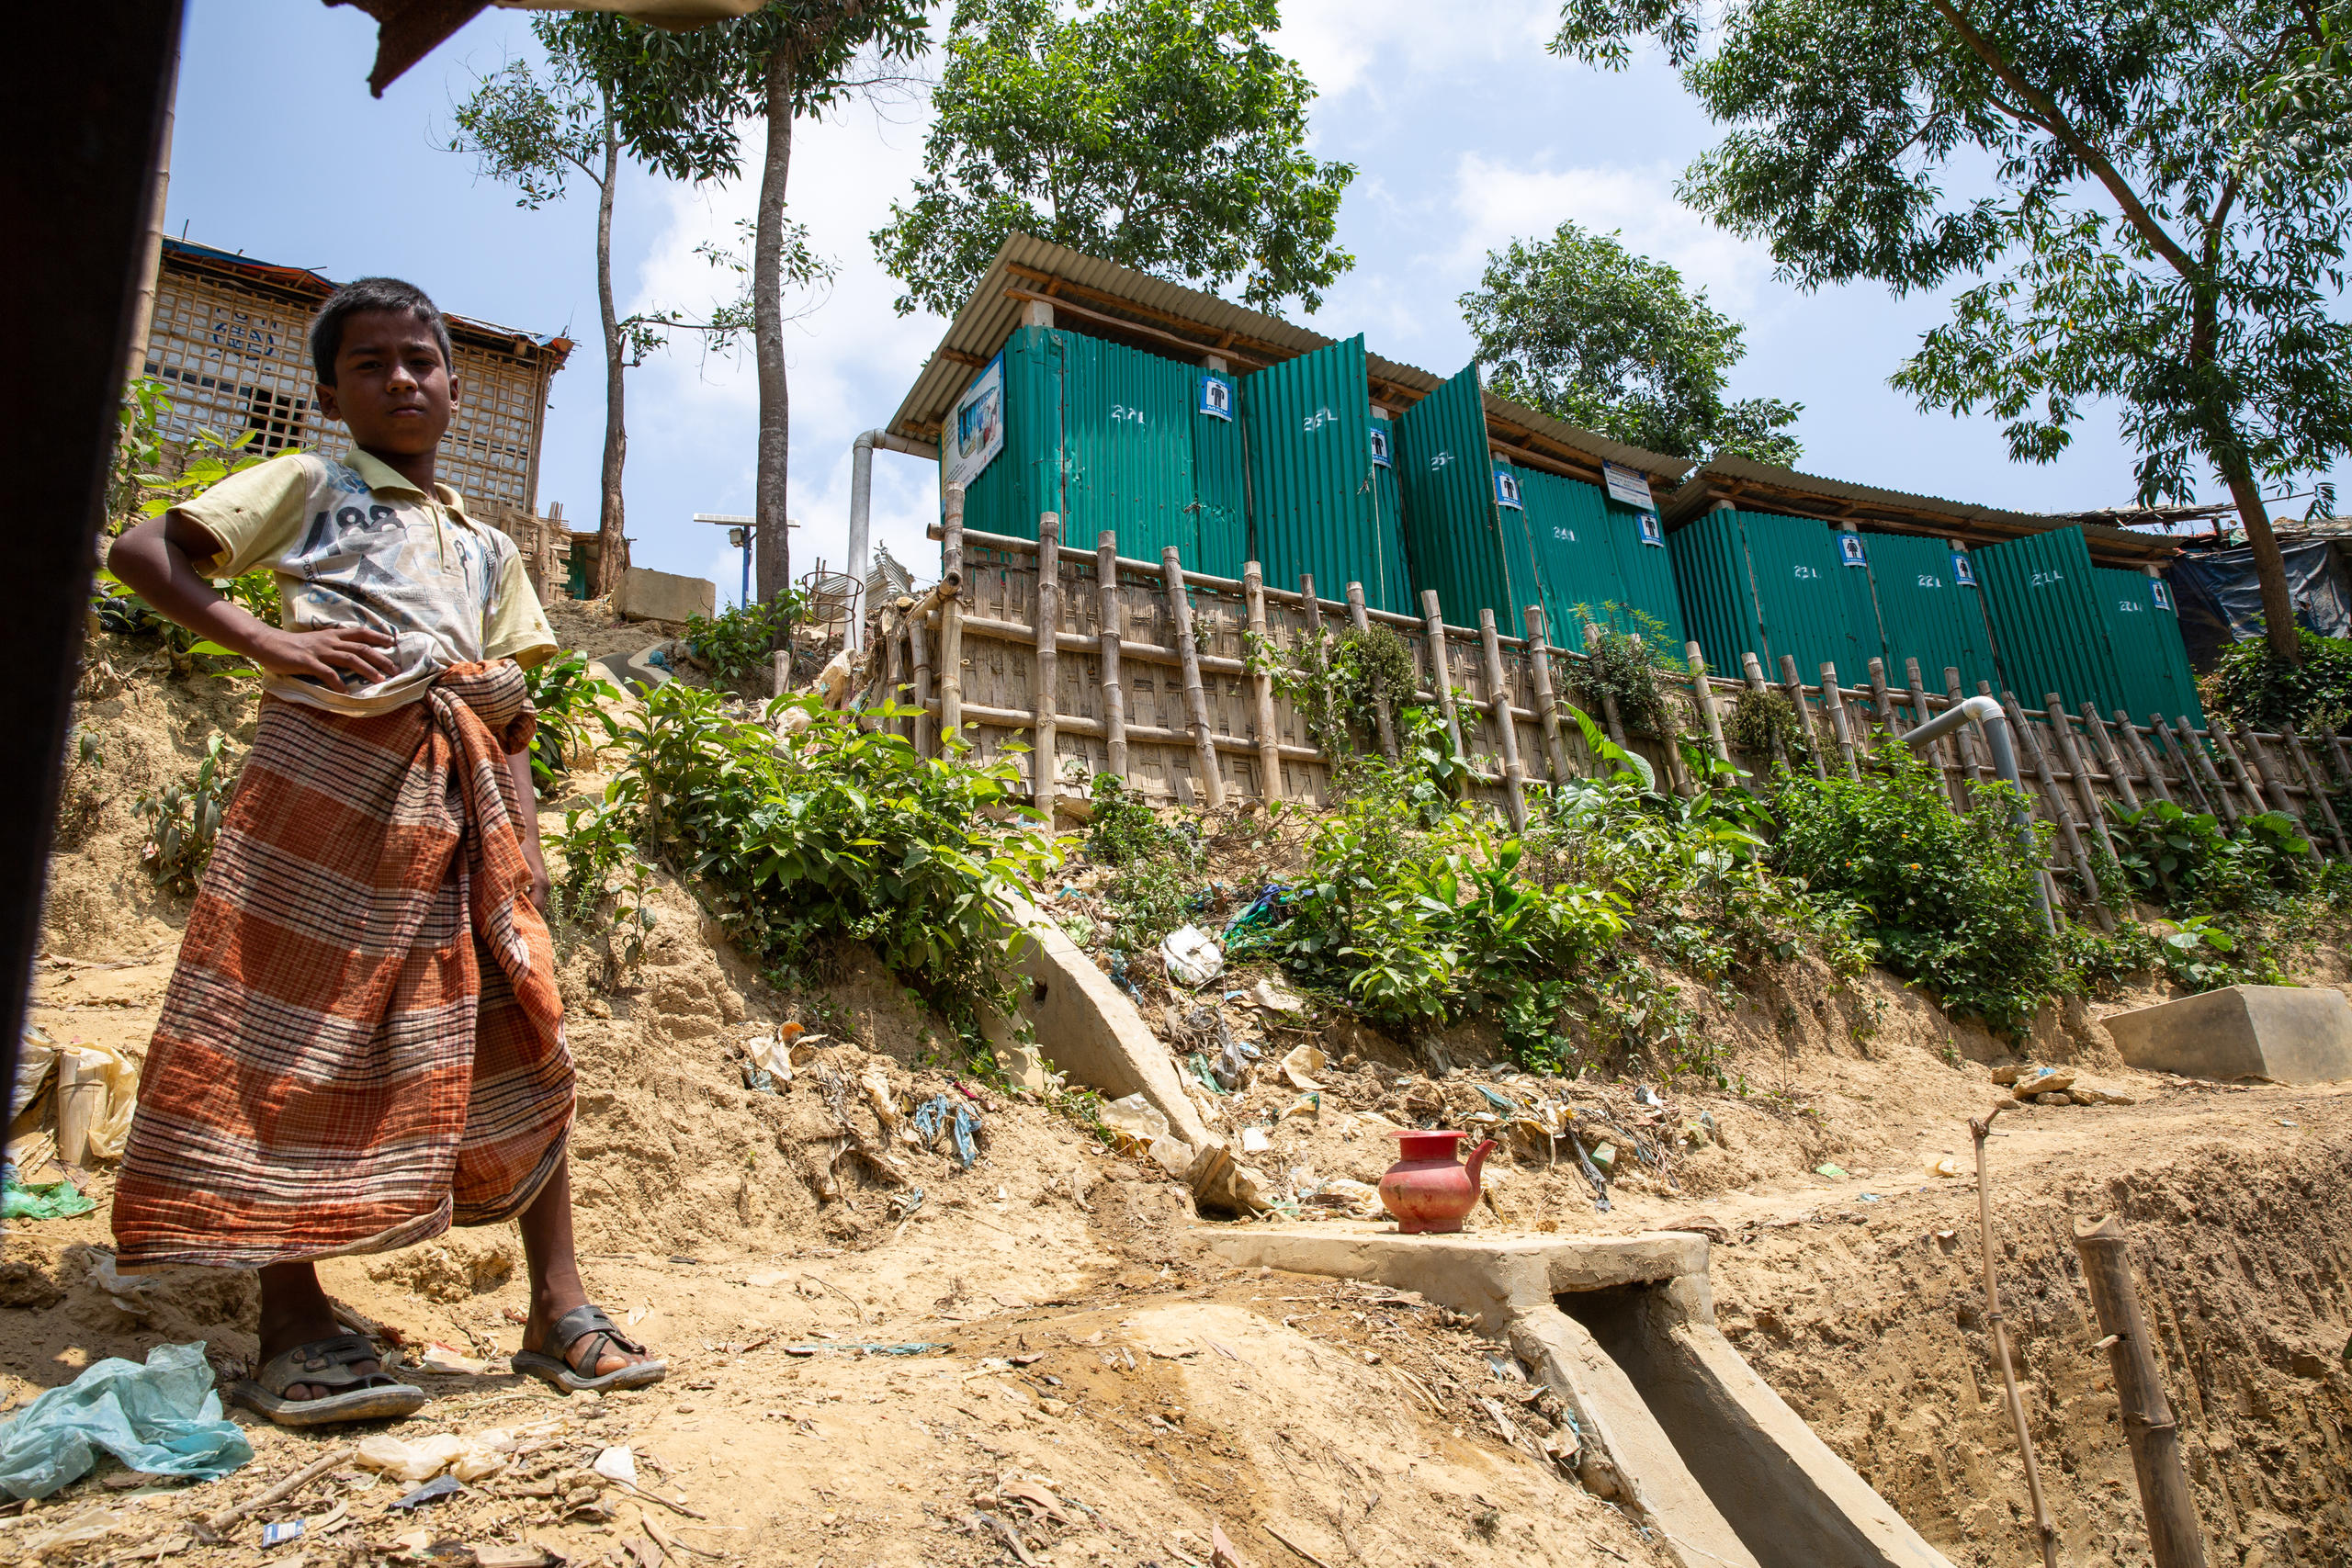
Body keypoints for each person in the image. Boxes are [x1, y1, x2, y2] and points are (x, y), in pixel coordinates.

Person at [107, 276, 663, 1426]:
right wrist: (267, 637)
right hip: (327, 793)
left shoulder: (488, 546)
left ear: (455, 388)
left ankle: (557, 1310)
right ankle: (295, 1321)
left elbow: (505, 712)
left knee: (523, 1028)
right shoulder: (308, 485)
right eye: (372, 365)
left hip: (468, 813)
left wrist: (528, 847)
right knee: (286, 1031)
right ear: (330, 392)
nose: (402, 379)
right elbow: (143, 548)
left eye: (421, 361)